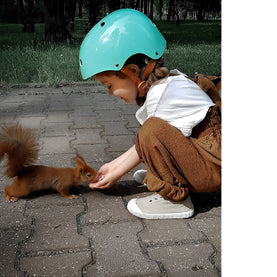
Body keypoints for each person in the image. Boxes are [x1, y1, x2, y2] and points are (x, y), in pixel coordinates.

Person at [78, 9, 221, 219]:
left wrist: (116, 171)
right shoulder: (169, 83)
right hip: (211, 161)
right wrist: (113, 166)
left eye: (109, 86)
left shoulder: (161, 94)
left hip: (213, 169)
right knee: (151, 133)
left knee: (151, 132)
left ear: (133, 72)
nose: (110, 94)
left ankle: (175, 200)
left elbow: (147, 143)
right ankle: (169, 175)